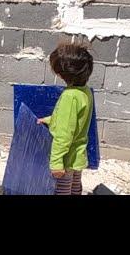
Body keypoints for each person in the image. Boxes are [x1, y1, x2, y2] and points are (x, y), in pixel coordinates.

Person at [38, 41, 95, 195]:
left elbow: (63, 134)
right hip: (78, 156)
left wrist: (56, 163)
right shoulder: (85, 92)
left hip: (67, 159)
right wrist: (50, 120)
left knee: (62, 190)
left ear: (62, 74)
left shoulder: (69, 97)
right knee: (75, 188)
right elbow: (75, 121)